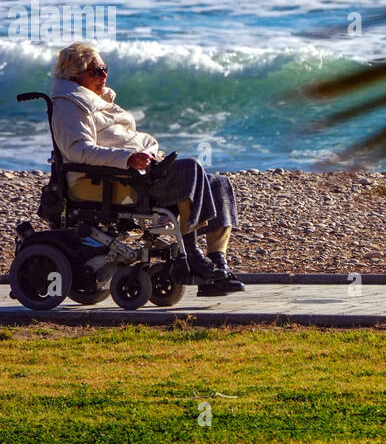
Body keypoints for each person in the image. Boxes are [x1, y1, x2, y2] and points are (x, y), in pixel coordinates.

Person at [48, 42, 243, 295]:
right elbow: (78, 151)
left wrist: (142, 155)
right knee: (190, 169)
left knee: (219, 184)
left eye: (104, 69)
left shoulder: (98, 101)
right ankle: (191, 255)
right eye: (96, 72)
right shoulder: (69, 104)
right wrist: (127, 158)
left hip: (136, 173)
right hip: (113, 181)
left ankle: (217, 265)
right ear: (75, 76)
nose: (104, 76)